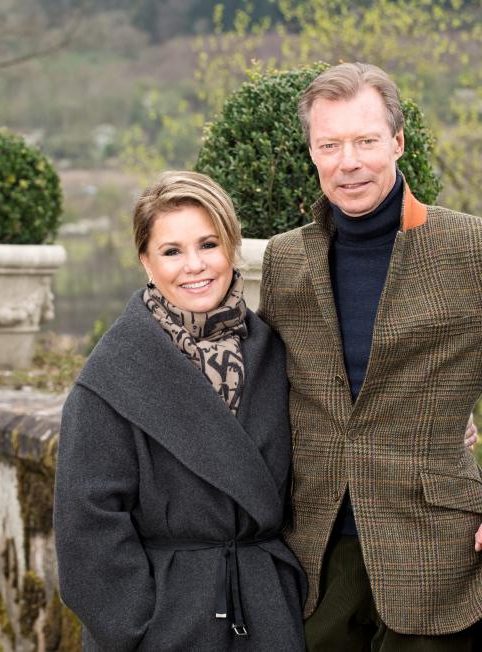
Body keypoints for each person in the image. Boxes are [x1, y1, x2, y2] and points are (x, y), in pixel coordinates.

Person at [258, 62, 482, 651]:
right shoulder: (285, 260)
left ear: (397, 141)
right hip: (312, 564)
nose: (349, 162)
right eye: (329, 144)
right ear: (311, 151)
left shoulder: (478, 252)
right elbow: (260, 393)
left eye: (365, 140)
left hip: (438, 565)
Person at [54, 171, 307, 651]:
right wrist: (140, 627)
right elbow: (86, 528)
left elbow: (340, 432)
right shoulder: (112, 374)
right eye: (172, 251)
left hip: (269, 614)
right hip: (164, 625)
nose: (195, 265)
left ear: (232, 248)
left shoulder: (277, 352)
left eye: (208, 244)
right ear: (146, 262)